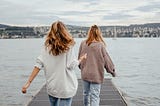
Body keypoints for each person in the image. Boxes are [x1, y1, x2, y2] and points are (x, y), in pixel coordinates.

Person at [22, 21, 87, 106]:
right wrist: (80, 59)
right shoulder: (68, 47)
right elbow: (71, 65)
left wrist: (28, 82)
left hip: (52, 86)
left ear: (51, 31)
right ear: (64, 31)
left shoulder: (46, 47)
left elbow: (38, 65)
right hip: (66, 86)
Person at [78, 25, 116, 106]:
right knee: (95, 96)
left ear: (89, 32)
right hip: (96, 74)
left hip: (85, 73)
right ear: (98, 33)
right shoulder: (100, 45)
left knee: (86, 93)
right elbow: (107, 60)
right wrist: (112, 71)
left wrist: (82, 67)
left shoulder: (83, 43)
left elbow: (79, 59)